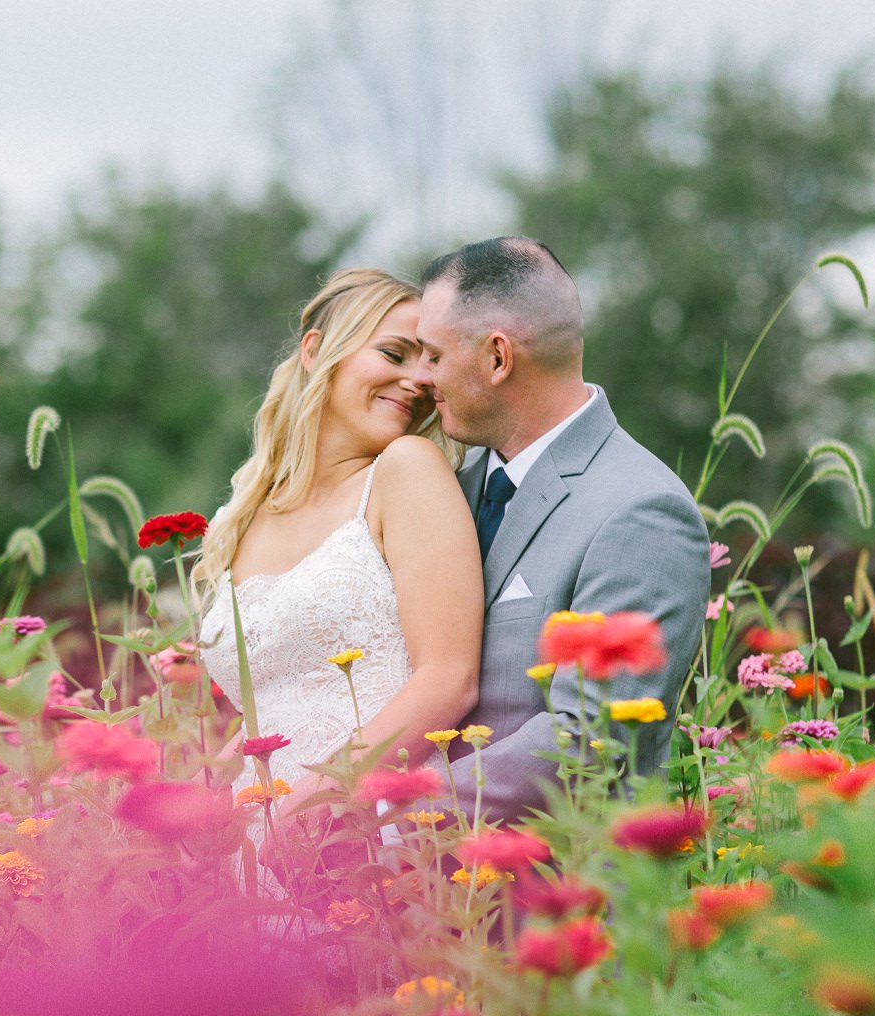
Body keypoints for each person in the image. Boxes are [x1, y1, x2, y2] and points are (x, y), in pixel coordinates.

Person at [412, 237, 710, 824]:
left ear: (498, 358)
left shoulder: (640, 511)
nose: (421, 377)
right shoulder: (446, 491)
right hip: (411, 900)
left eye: (433, 355)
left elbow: (587, 739)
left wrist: (389, 812)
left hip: (546, 898)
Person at [196, 267, 483, 809]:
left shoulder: (406, 471)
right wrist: (196, 798)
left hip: (358, 827)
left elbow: (449, 678)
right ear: (315, 351)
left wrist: (314, 807)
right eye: (395, 354)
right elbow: (281, 706)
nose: (419, 380)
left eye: (430, 364)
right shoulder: (250, 514)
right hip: (251, 835)